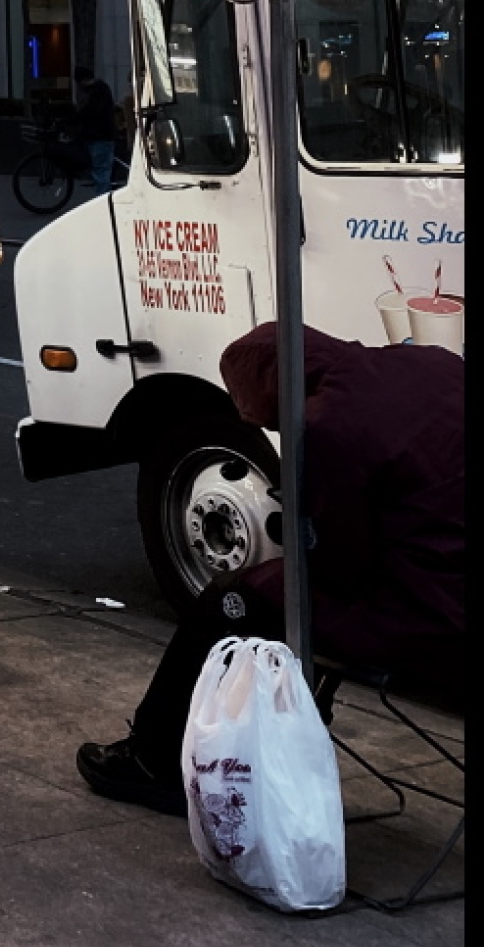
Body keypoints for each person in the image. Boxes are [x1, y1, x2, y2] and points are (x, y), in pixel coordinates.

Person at [77, 319, 465, 812]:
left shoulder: (332, 424)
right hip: (438, 583)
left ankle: (154, 759)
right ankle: (278, 740)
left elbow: (343, 569)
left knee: (232, 597)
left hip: (429, 615)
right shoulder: (432, 361)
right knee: (277, 593)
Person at [73, 65, 119, 192]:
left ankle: (103, 202)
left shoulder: (98, 91)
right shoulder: (97, 90)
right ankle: (103, 198)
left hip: (100, 137)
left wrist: (75, 119)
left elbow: (91, 112)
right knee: (101, 170)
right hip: (99, 136)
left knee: (101, 172)